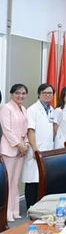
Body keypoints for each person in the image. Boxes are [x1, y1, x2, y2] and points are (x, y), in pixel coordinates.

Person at [23, 83, 55, 209]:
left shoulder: (51, 109)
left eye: (50, 93)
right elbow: (30, 130)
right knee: (33, 180)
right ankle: (30, 208)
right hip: (36, 150)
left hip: (47, 150)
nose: (47, 95)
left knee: (43, 180)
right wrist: (35, 150)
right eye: (45, 93)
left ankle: (41, 208)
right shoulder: (32, 110)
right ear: (39, 94)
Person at [0, 84, 29, 221]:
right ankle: (6, 213)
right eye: (18, 93)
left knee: (15, 181)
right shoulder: (6, 108)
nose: (21, 96)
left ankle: (15, 210)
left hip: (21, 149)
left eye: (23, 93)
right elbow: (7, 130)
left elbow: (27, 129)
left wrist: (26, 144)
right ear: (11, 93)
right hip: (9, 149)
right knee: (7, 181)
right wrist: (19, 145)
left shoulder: (23, 109)